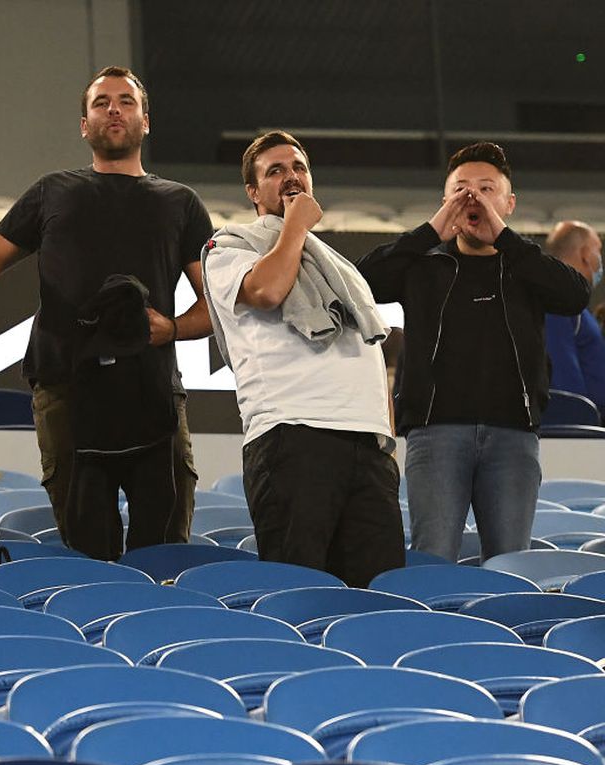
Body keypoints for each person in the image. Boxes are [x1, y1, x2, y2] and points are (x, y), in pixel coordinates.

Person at [0, 66, 214, 554]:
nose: (114, 110)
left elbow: (218, 304)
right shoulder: (52, 190)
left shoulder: (180, 202)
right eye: (102, 103)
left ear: (146, 121)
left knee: (166, 556)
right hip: (66, 391)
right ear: (84, 125)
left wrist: (173, 329)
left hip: (154, 392)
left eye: (126, 101)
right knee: (85, 554)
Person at [358, 142, 589, 563]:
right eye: (461, 189)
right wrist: (430, 232)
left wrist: (505, 239)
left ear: (509, 203)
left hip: (513, 436)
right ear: (445, 201)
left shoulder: (525, 266)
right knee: (433, 556)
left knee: (510, 561)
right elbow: (362, 281)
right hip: (435, 433)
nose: (473, 198)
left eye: (486, 189)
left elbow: (575, 294)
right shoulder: (424, 265)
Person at [203, 131, 403, 588]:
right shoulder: (230, 246)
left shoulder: (335, 263)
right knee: (300, 594)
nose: (291, 177)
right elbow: (268, 291)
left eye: (299, 169)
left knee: (378, 597)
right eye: (275, 171)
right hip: (293, 438)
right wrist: (295, 224)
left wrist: (381, 437)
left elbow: (369, 349)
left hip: (365, 447)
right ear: (253, 193)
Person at [544, 220, 605, 420]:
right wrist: (577, 424)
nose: (600, 259)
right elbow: (562, 374)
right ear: (586, 254)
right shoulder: (558, 301)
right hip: (576, 433)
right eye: (599, 250)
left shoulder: (575, 306)